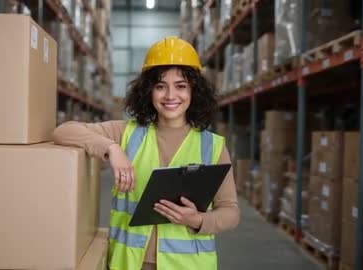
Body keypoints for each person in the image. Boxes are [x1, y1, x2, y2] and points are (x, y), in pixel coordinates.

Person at [53, 36, 240, 270]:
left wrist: (198, 220)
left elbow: (230, 212)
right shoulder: (126, 134)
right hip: (130, 263)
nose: (170, 96)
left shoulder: (212, 146)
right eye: (160, 86)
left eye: (180, 86)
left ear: (194, 91)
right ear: (148, 91)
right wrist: (112, 149)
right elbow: (64, 131)